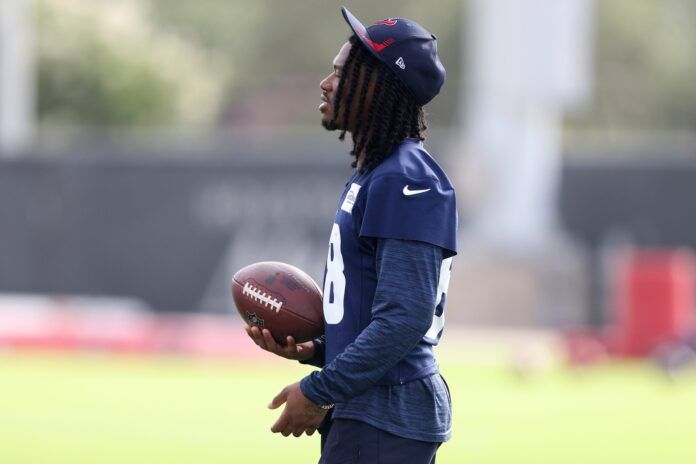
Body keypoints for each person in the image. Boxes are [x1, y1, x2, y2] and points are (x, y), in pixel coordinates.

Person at [246, 7, 457, 463]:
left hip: (387, 416)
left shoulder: (404, 177)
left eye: (341, 74)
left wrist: (320, 389)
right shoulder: (378, 171)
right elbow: (376, 312)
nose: (325, 83)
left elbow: (405, 317)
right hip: (369, 413)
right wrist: (316, 350)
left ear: (377, 86)